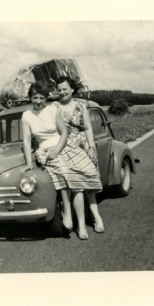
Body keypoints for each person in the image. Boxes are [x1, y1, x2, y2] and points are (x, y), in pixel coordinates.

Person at [20, 82, 102, 240]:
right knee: (65, 173)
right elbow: (26, 140)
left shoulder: (53, 110)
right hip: (45, 150)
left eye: (41, 98)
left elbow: (64, 133)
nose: (38, 101)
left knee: (82, 177)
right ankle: (67, 211)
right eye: (34, 98)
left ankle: (84, 223)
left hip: (62, 146)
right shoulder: (26, 115)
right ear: (30, 98)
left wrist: (57, 149)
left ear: (46, 98)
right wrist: (29, 163)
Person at [53, 76, 105, 234]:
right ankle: (81, 225)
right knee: (76, 187)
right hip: (66, 149)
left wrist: (91, 147)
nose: (62, 92)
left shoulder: (81, 105)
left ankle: (97, 217)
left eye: (65, 89)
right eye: (59, 89)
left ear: (72, 89)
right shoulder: (55, 106)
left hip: (83, 146)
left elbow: (88, 128)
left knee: (89, 184)